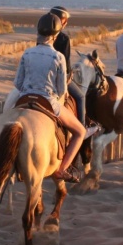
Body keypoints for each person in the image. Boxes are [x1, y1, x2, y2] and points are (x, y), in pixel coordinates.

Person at [14, 12, 86, 183]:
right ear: (56, 35)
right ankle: (61, 170)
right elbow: (61, 90)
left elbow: (18, 83)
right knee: (80, 132)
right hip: (48, 101)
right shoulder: (58, 56)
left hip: (24, 98)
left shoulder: (27, 53)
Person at [49, 5, 98, 138]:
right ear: (62, 21)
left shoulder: (42, 35)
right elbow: (65, 64)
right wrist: (70, 75)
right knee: (81, 96)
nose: (66, 24)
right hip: (57, 78)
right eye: (65, 21)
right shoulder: (64, 39)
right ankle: (83, 128)